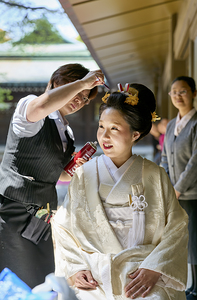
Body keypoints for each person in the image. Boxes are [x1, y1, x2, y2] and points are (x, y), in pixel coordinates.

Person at [53, 83, 188, 300]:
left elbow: (177, 226)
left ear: (136, 134)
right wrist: (76, 268)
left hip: (142, 272)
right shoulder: (84, 173)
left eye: (114, 128)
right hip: (94, 274)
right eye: (101, 127)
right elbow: (63, 225)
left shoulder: (154, 175)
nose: (104, 136)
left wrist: (155, 268)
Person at [0, 63, 104, 288]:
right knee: (17, 281)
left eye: (85, 98)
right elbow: (45, 103)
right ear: (56, 82)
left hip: (42, 214)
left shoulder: (66, 131)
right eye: (77, 91)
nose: (80, 99)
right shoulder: (29, 105)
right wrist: (85, 82)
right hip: (13, 209)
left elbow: (58, 176)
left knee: (41, 280)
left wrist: (74, 167)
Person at [160, 76, 197, 300]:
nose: (177, 96)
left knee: (194, 240)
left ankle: (195, 286)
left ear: (194, 93)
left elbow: (195, 162)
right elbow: (165, 158)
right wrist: (165, 185)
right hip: (174, 193)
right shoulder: (172, 124)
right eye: (173, 92)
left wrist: (179, 188)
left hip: (192, 194)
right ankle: (190, 285)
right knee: (183, 240)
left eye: (182, 91)